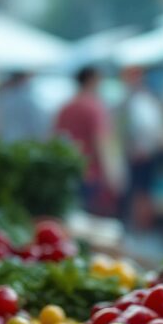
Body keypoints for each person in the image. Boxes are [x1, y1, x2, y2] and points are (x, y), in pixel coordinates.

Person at [55, 65, 120, 214]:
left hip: (69, 174)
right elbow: (101, 143)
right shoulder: (95, 108)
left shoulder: (65, 108)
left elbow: (56, 140)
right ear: (92, 80)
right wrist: (112, 178)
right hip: (92, 175)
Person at [120, 66, 163, 230]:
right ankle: (140, 227)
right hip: (143, 152)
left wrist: (141, 148)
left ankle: (141, 227)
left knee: (141, 192)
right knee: (141, 192)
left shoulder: (140, 101)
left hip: (142, 153)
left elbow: (145, 127)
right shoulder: (143, 100)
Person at [0, 72, 49, 142]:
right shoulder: (28, 99)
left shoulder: (4, 98)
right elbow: (39, 124)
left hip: (7, 140)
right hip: (26, 142)